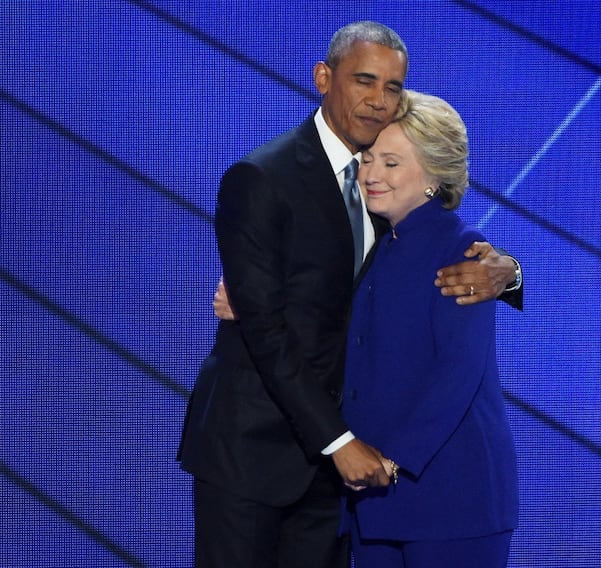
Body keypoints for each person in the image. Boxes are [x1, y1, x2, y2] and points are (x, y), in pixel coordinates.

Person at [180, 21, 521, 568]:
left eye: (393, 88)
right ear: (323, 77)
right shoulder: (262, 177)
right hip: (256, 453)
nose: (379, 100)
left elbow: (442, 262)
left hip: (347, 478)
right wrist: (341, 443)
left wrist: (510, 271)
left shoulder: (394, 200)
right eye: (365, 80)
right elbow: (267, 327)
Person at [340, 90, 518, 567]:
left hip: (450, 498)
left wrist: (392, 460)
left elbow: (457, 373)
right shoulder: (372, 241)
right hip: (372, 498)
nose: (372, 175)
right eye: (369, 158)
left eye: (392, 163)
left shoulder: (466, 253)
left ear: (434, 177)